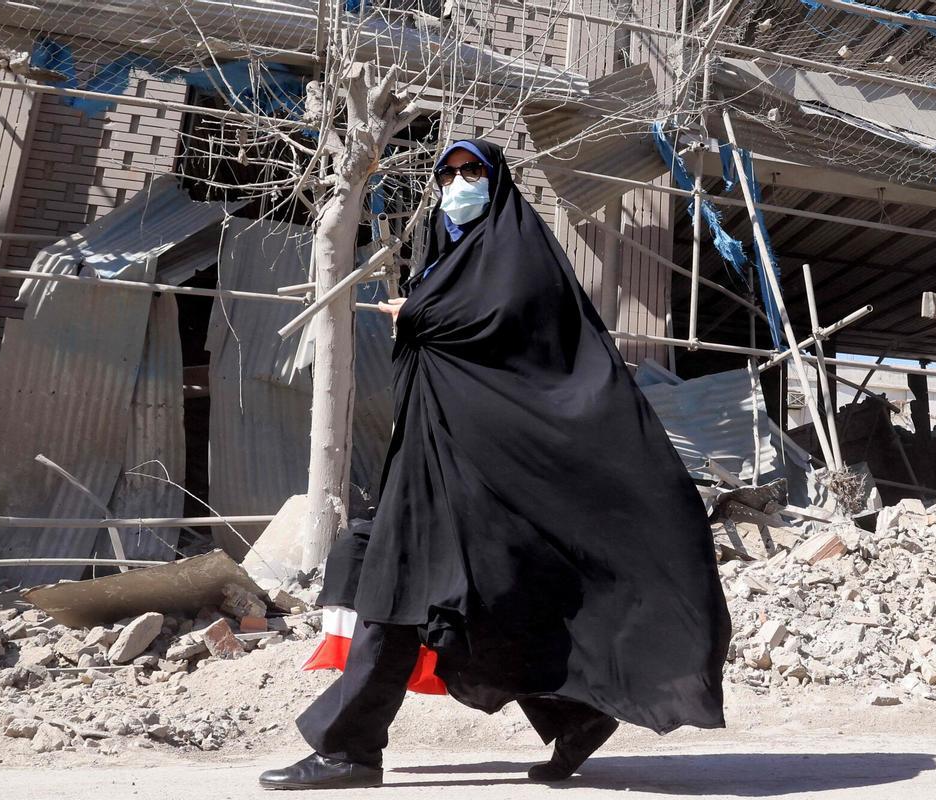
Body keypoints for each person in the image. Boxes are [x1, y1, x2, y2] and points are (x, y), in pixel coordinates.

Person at [258, 140, 731, 791]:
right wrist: (419, 315)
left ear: (496, 179)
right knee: (446, 591)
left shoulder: (520, 252)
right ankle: (573, 714)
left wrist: (420, 315)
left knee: (400, 587)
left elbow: (509, 330)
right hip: (435, 460)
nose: (459, 183)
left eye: (472, 171)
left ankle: (350, 750)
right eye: (449, 173)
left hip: (487, 467)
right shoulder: (444, 257)